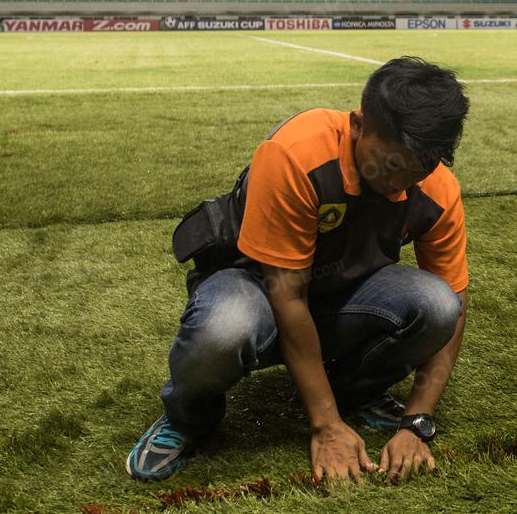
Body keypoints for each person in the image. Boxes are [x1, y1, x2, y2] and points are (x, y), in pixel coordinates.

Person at [127, 57, 472, 483]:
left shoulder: (435, 186)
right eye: (389, 165)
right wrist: (325, 426)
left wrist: (417, 423)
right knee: (222, 328)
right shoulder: (296, 154)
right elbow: (287, 295)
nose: (399, 184)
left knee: (439, 305)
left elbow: (455, 297)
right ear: (358, 125)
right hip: (257, 288)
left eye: (417, 170)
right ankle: (187, 418)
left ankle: (353, 392)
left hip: (342, 290)